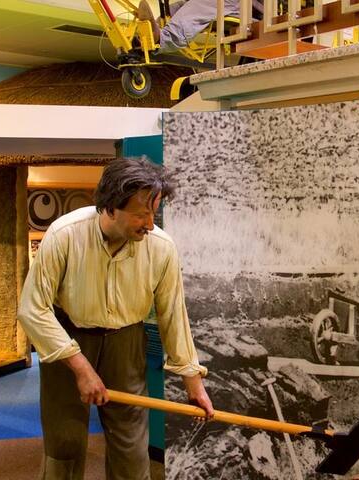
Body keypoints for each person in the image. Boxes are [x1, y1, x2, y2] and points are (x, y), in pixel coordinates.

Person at [18, 157, 213, 480]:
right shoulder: (64, 235)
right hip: (68, 338)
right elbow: (32, 308)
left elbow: (173, 316)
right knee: (64, 440)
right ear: (109, 207)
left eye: (153, 212)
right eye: (140, 214)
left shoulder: (162, 248)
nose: (149, 224)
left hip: (126, 341)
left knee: (131, 446)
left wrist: (193, 383)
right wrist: (80, 367)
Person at [156, 0, 259, 50]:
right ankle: (149, 35)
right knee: (176, 7)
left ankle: (163, 39)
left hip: (251, 7)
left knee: (198, 5)